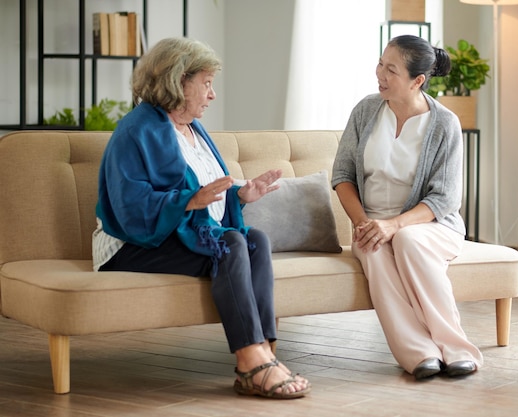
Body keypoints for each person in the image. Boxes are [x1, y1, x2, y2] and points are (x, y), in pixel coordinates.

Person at [92, 37, 311, 399]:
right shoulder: (135, 131)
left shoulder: (193, 130)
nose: (212, 95)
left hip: (174, 233)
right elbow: (129, 206)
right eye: (206, 84)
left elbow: (209, 194)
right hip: (129, 244)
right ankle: (251, 361)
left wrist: (239, 195)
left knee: (255, 239)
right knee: (229, 242)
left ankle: (265, 353)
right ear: (179, 82)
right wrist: (189, 201)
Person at [331, 35, 483, 380]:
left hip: (432, 225)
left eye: (391, 70)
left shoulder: (444, 123)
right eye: (381, 65)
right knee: (372, 248)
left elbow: (443, 198)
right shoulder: (366, 110)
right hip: (371, 222)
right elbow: (342, 175)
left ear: (417, 81)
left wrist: (394, 226)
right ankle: (418, 353)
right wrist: (363, 222)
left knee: (408, 240)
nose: (380, 75)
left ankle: (457, 347)